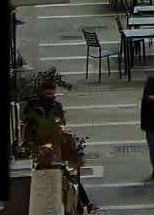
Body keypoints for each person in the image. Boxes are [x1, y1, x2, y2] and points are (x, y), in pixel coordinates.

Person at [23, 83, 98, 213]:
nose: (50, 97)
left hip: (56, 148)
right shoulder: (32, 107)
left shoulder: (57, 106)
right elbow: (27, 128)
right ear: (41, 93)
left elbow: (61, 125)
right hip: (39, 149)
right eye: (47, 94)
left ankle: (84, 204)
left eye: (52, 94)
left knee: (69, 175)